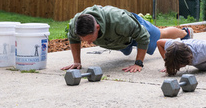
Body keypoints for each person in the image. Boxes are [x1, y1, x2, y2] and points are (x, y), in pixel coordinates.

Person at [62, 5, 193, 72]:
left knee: (160, 34)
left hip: (135, 28)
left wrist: (138, 63)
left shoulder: (119, 20)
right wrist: (77, 62)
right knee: (127, 49)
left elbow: (143, 36)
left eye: (90, 39)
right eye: (85, 40)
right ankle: (127, 46)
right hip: (119, 40)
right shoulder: (77, 25)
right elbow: (73, 38)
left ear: (97, 27)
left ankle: (184, 33)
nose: (89, 43)